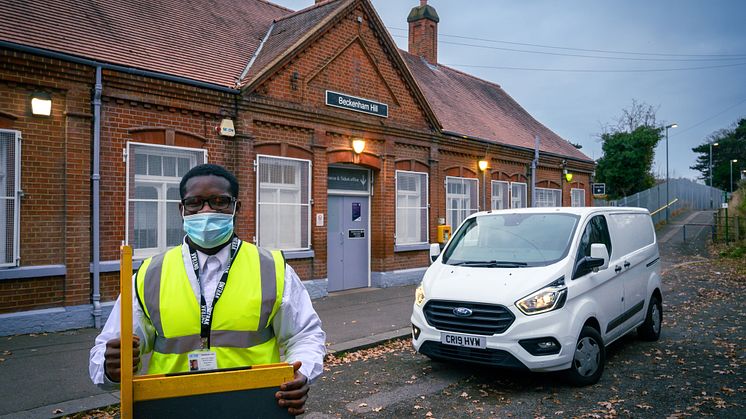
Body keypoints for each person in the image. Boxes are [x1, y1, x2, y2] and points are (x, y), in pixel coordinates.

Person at [89, 164, 326, 415]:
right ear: (182, 209)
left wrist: (300, 373)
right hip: (171, 407)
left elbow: (305, 335)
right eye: (195, 202)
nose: (206, 211)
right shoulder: (149, 275)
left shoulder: (273, 269)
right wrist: (111, 367)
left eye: (219, 201)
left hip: (254, 404)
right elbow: (106, 352)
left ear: (236, 208)